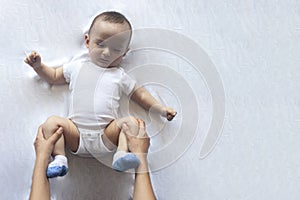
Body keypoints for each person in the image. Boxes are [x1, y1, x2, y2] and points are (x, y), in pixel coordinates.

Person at [24, 11, 177, 178]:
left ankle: (122, 154)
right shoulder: (76, 66)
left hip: (106, 136)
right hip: (75, 135)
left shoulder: (119, 75)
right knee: (52, 122)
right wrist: (38, 66)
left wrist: (160, 109)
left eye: (116, 49)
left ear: (125, 53)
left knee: (131, 123)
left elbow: (139, 95)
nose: (106, 53)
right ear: (88, 41)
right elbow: (53, 77)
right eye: (101, 44)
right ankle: (60, 159)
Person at [30, 119, 156, 200]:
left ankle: (59, 158)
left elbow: (139, 93)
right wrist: (140, 156)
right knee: (132, 123)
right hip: (91, 136)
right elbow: (56, 76)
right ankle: (121, 153)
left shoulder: (120, 76)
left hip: (91, 136)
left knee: (51, 123)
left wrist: (42, 158)